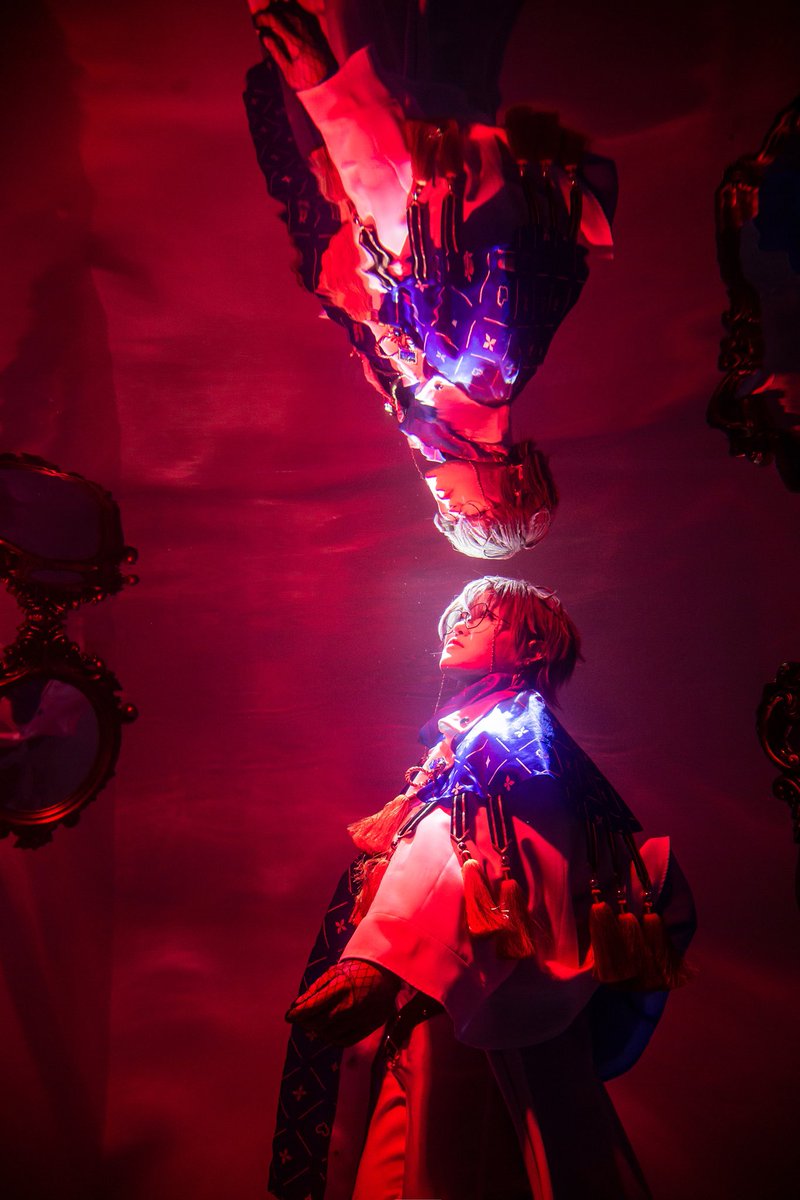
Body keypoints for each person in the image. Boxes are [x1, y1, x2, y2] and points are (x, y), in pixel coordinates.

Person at [269, 577, 696, 1200]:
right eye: (456, 615)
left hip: (470, 1009)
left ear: (532, 649)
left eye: (483, 614)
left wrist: (376, 962)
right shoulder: (482, 740)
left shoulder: (514, 737)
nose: (458, 624)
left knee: (456, 1163)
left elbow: (478, 857)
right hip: (444, 998)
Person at [243, 2, 617, 557]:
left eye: (447, 516)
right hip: (390, 87)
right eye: (469, 511)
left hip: (364, 113)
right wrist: (326, 91)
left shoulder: (431, 385)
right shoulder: (486, 354)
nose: (444, 502)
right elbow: (407, 192)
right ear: (513, 483)